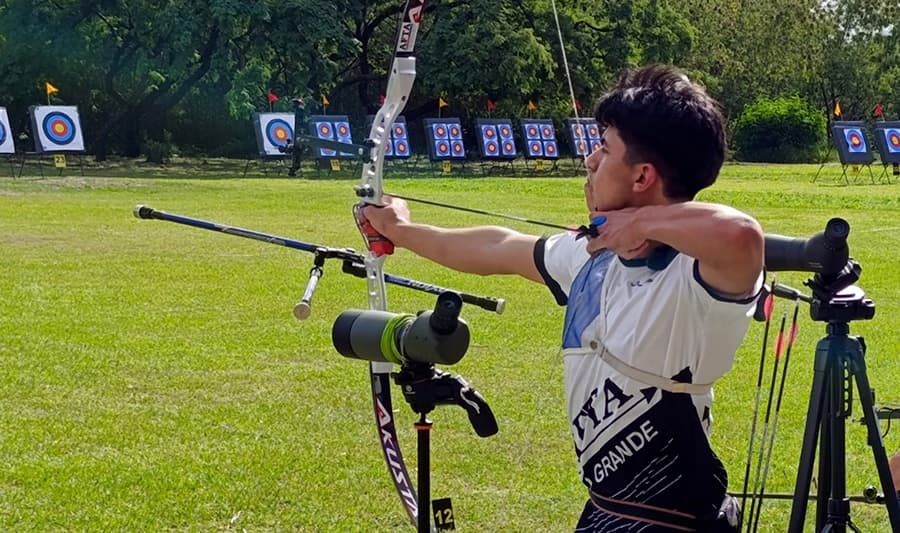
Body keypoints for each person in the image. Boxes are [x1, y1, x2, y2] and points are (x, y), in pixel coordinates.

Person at [361, 64, 764, 532]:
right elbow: (497, 247)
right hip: (605, 512)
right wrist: (399, 229)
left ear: (642, 177)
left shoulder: (695, 280)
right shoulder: (591, 257)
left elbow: (742, 235)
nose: (590, 161)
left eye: (604, 148)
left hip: (675, 522)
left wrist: (640, 224)